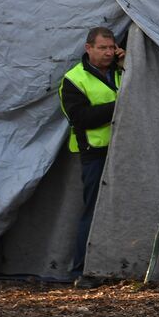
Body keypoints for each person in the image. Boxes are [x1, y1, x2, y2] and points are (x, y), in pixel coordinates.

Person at [59, 27, 124, 288]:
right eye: (102, 48)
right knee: (93, 210)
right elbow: (81, 119)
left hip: (125, 150)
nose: (109, 52)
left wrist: (127, 63)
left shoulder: (122, 71)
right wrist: (121, 104)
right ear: (89, 48)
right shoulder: (73, 80)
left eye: (112, 47)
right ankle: (82, 269)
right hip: (94, 153)